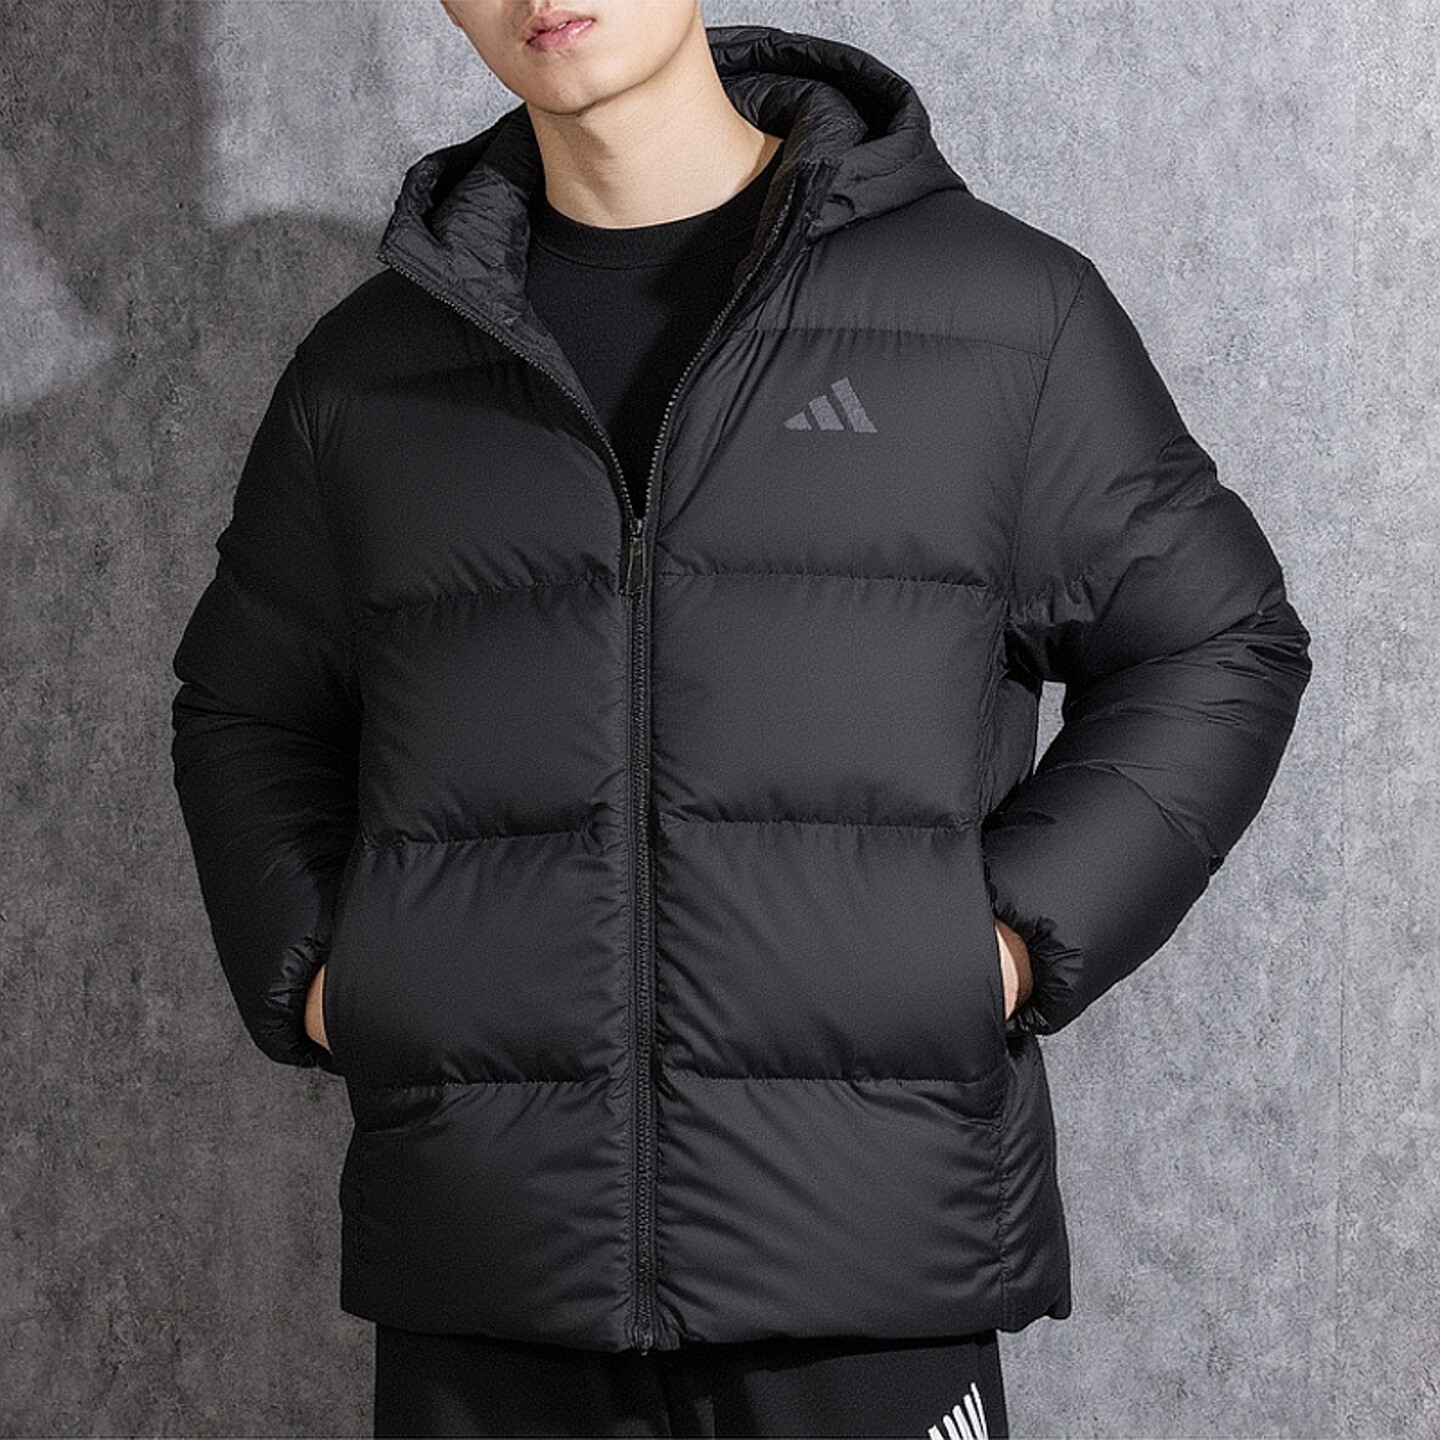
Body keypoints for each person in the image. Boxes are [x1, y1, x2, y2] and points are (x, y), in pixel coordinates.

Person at [168, 4, 1313, 1437]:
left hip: (868, 1267)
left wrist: (1000, 949)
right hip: (491, 1272)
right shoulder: (372, 372)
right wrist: (345, 983)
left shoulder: (999, 314)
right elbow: (245, 707)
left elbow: (1219, 641)